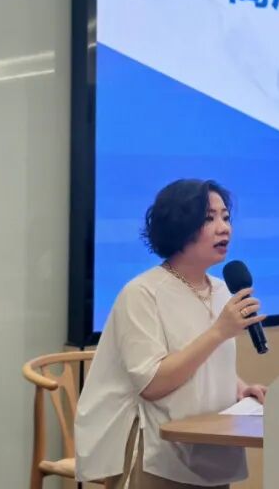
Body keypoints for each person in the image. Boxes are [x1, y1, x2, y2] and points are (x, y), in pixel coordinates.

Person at [75, 179, 268, 488]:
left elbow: (206, 364)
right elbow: (152, 384)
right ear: (179, 226)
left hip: (213, 446)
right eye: (209, 218)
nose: (224, 228)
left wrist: (240, 389)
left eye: (226, 217)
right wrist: (219, 331)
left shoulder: (222, 290)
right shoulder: (142, 293)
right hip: (158, 453)